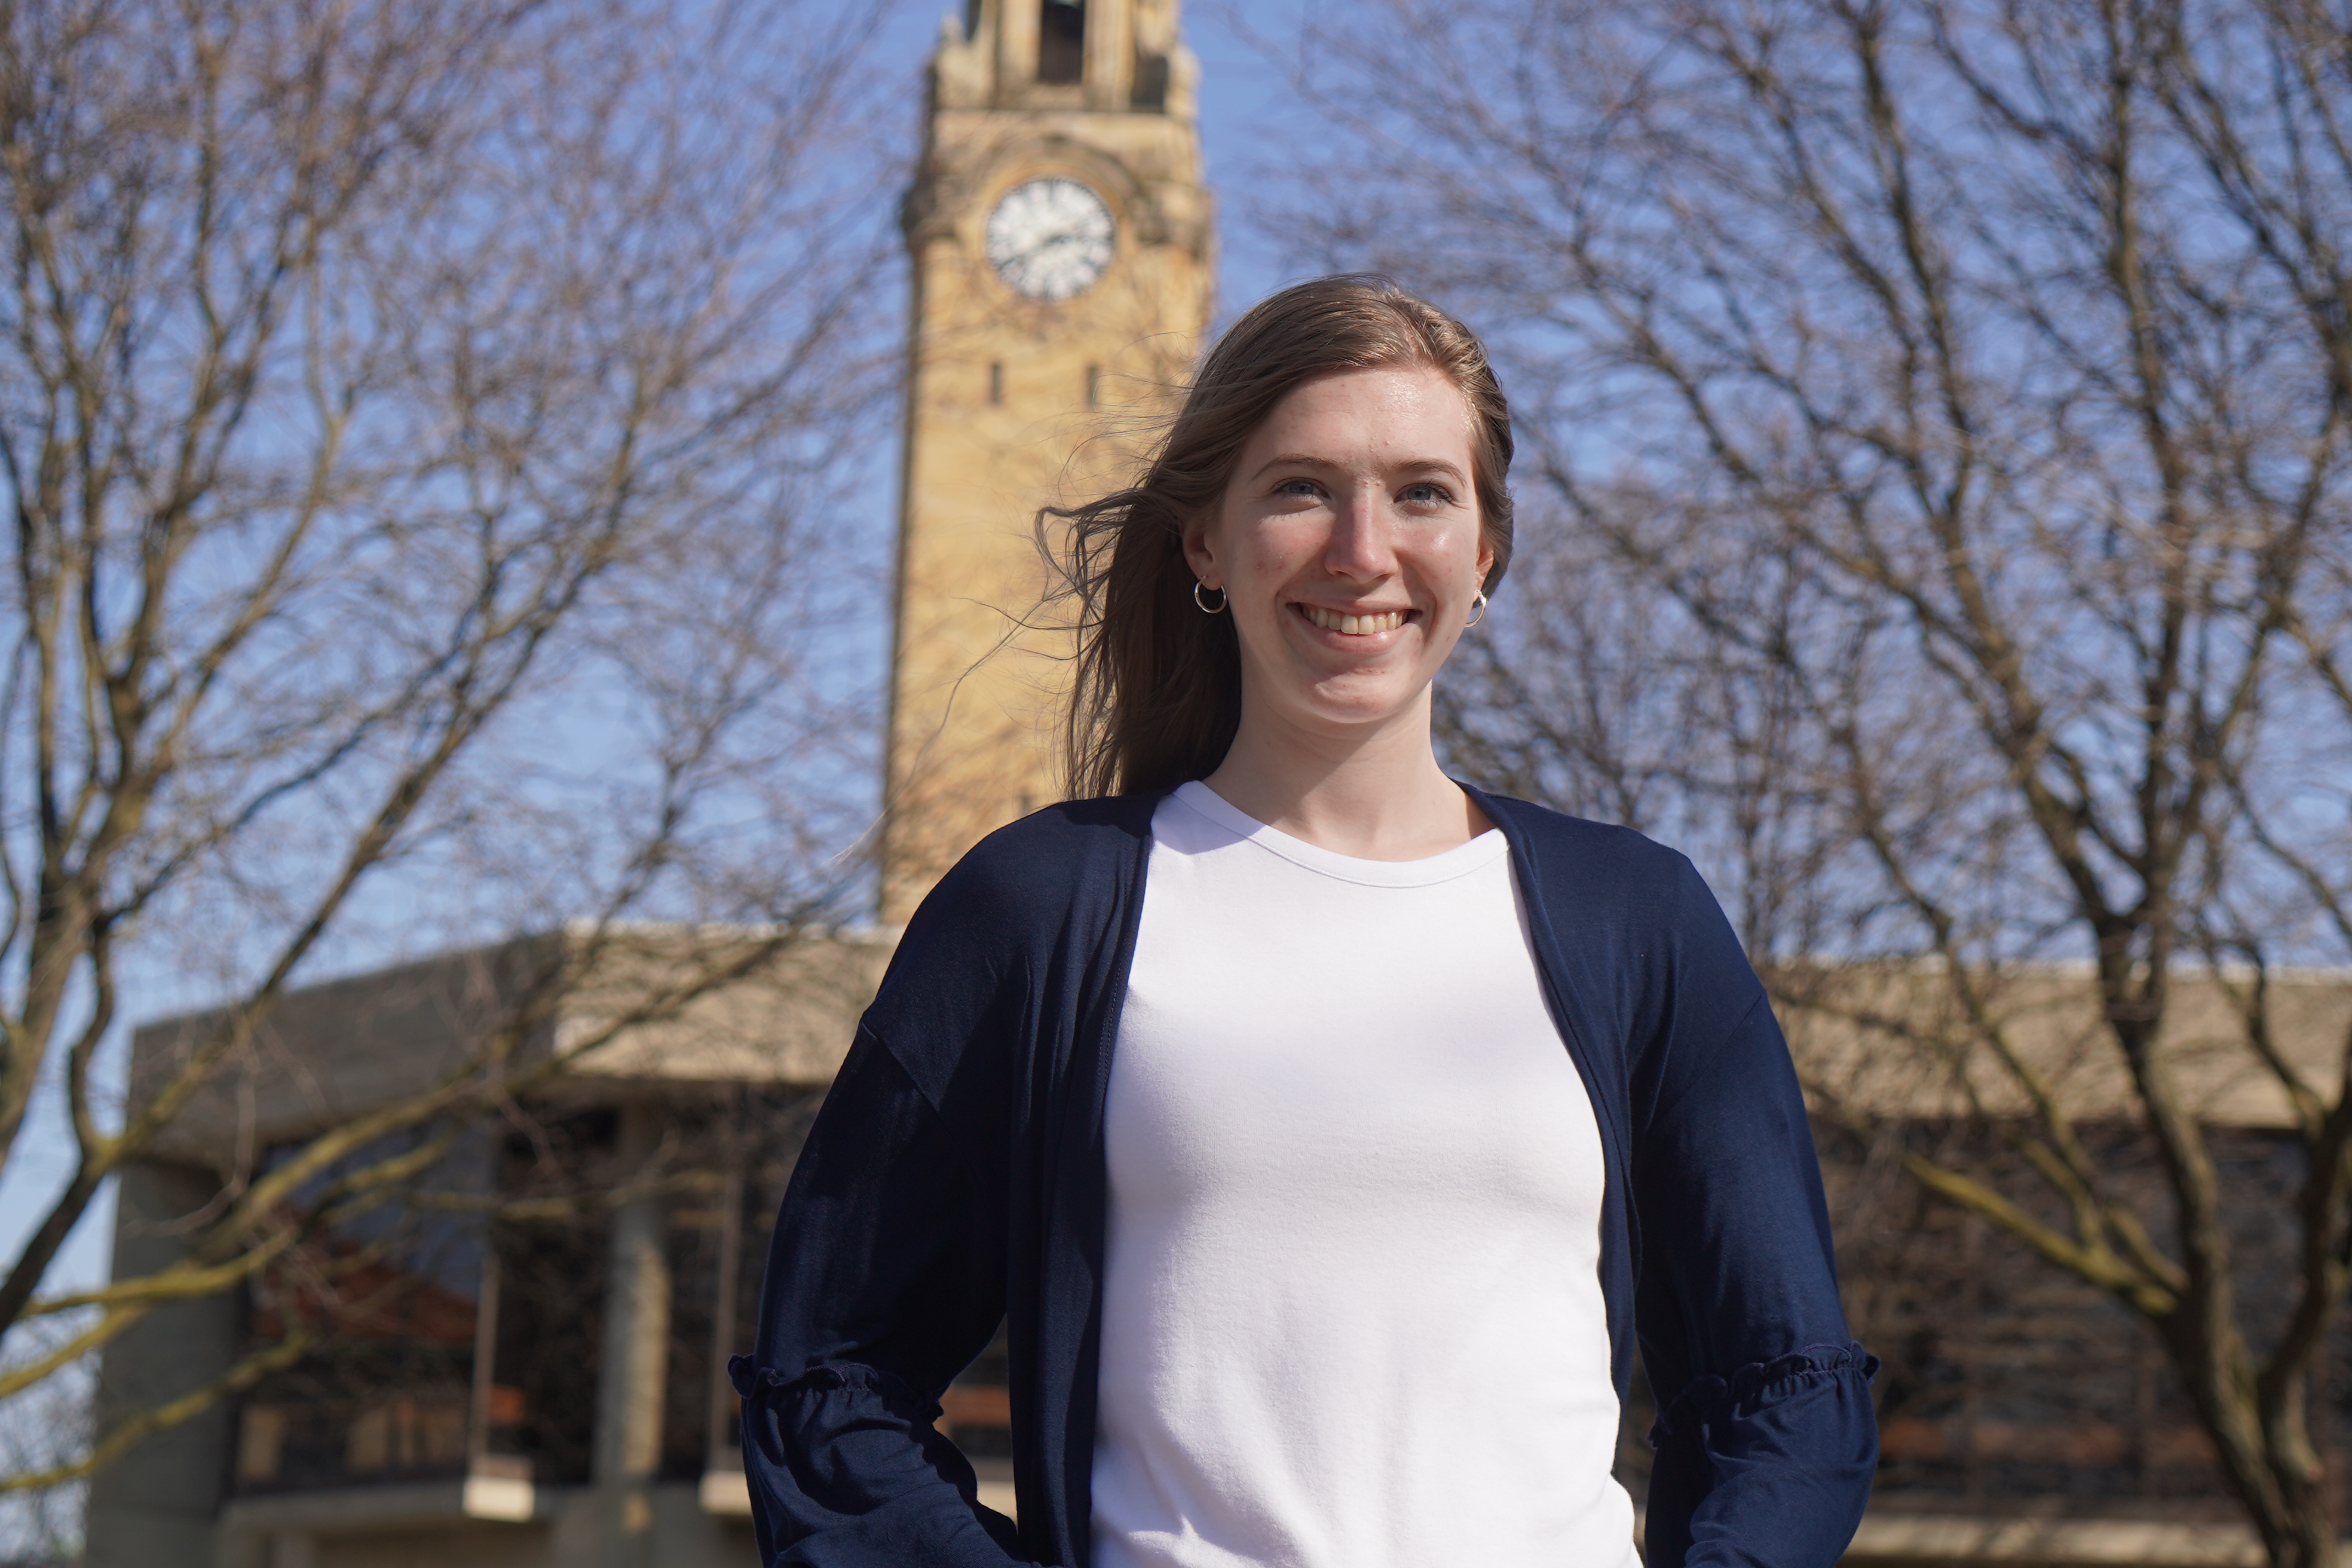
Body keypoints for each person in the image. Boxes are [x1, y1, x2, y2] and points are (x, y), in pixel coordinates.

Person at [730, 275, 1878, 1568]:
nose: (1361, 548)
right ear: (1205, 543)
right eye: (1300, 489)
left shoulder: (1640, 921)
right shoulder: (1042, 910)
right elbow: (827, 1377)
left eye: (1422, 493)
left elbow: (1786, 1387)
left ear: (1486, 549)